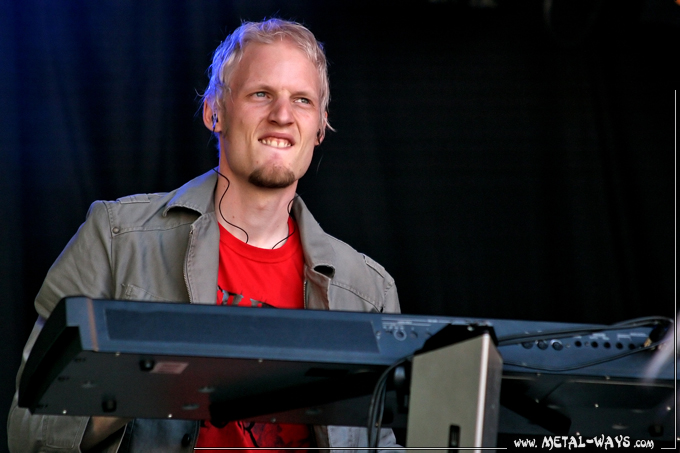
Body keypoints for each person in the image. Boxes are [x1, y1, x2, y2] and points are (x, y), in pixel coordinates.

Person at [7, 18, 402, 452]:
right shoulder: (117, 237)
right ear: (215, 111)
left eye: (302, 100)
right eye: (261, 94)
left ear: (320, 127)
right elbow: (30, 429)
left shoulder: (367, 290)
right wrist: (163, 379)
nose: (283, 116)